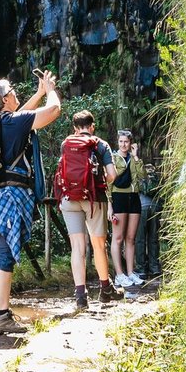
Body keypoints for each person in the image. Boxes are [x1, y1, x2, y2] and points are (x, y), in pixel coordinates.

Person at [0, 71, 61, 334]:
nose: (15, 93)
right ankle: (1, 316)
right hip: (9, 197)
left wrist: (38, 93)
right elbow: (54, 111)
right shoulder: (12, 123)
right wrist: (50, 90)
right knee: (2, 255)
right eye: (12, 91)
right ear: (5, 99)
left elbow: (22, 117)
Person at [58, 111, 123, 309]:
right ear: (92, 126)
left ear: (75, 128)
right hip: (94, 199)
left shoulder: (66, 144)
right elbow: (112, 175)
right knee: (98, 245)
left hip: (69, 198)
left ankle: (80, 296)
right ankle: (105, 289)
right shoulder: (101, 144)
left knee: (77, 247)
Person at [108, 129, 147, 289]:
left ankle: (131, 272)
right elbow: (107, 183)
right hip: (118, 198)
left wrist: (136, 156)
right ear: (118, 142)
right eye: (121, 141)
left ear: (131, 143)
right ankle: (119, 274)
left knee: (131, 238)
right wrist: (109, 206)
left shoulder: (133, 158)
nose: (124, 144)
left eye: (127, 142)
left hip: (134, 198)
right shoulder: (112, 158)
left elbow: (142, 176)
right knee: (118, 238)